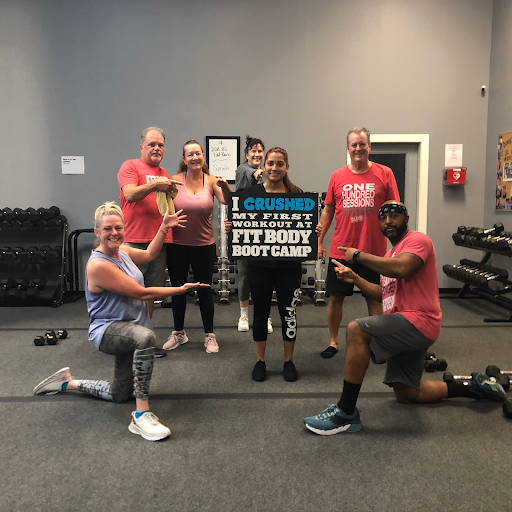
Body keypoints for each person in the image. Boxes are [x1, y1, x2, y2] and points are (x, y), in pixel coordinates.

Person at [304, 201, 506, 435]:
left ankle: (345, 412)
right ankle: (472, 388)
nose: (388, 221)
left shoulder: (418, 241)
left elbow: (401, 268)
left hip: (419, 322)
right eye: (383, 218)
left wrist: (358, 255)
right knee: (408, 394)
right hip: (402, 325)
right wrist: (356, 279)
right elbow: (384, 294)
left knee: (356, 329)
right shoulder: (389, 254)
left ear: (406, 219)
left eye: (394, 216)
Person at [33, 202, 210, 441]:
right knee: (145, 338)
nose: (114, 233)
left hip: (130, 328)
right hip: (108, 331)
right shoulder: (98, 265)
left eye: (118, 227)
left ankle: (66, 383)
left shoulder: (123, 251)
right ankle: (141, 415)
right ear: (97, 232)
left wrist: (163, 228)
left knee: (119, 394)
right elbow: (141, 293)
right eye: (107, 229)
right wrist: (179, 290)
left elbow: (149, 255)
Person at [318, 127, 400, 358]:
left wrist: (398, 245)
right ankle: (333, 342)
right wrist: (319, 241)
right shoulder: (337, 176)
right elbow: (328, 211)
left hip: (373, 252)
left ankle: (376, 343)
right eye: (354, 144)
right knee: (336, 299)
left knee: (374, 298)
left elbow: (395, 211)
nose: (358, 148)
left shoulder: (385, 173)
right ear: (348, 148)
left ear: (369, 146)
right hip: (341, 250)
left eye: (362, 144)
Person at [240, 147, 304, 382]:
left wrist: (314, 230)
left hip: (289, 267)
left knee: (289, 314)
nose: (274, 168)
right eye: (270, 163)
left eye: (279, 164)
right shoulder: (250, 194)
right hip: (259, 266)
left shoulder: (297, 195)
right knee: (260, 313)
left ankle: (289, 361)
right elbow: (242, 226)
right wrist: (232, 227)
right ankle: (260, 361)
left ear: (287, 167)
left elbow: (304, 227)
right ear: (263, 166)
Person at [163, 140, 232, 354]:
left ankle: (209, 335)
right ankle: (178, 333)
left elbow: (228, 200)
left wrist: (225, 185)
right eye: (190, 154)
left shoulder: (211, 181)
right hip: (177, 245)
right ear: (184, 159)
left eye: (198, 153)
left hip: (204, 245)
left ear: (203, 156)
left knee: (204, 291)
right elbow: (161, 207)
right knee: (178, 291)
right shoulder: (174, 180)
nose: (194, 157)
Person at [117, 126, 181, 358]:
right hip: (133, 241)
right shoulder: (130, 166)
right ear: (142, 146)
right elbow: (130, 194)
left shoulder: (163, 171)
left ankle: (143, 340)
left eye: (160, 145)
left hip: (158, 241)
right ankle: (125, 339)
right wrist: (156, 184)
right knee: (129, 292)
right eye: (152, 144)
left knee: (150, 293)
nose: (156, 148)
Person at [234, 135, 272, 335]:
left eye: (260, 151)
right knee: (244, 275)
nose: (257, 154)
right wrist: (258, 173)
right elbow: (249, 173)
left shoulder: (267, 174)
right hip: (243, 230)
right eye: (253, 151)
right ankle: (243, 315)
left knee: (264, 275)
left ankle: (263, 315)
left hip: (262, 231)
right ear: (246, 153)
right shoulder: (244, 170)